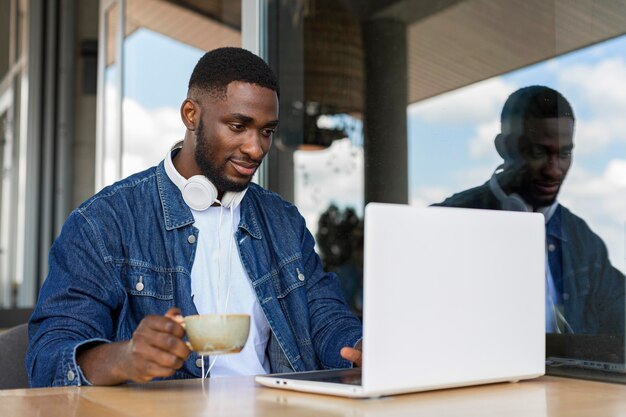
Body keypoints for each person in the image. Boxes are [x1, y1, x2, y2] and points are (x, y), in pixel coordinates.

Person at [26, 47, 362, 387]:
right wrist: (124, 358)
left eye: (266, 131)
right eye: (237, 126)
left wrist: (361, 347)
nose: (256, 148)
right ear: (191, 115)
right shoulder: (104, 221)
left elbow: (326, 317)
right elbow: (50, 356)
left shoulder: (284, 222)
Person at [435, 85, 624, 335]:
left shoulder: (583, 241)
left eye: (565, 153)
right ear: (504, 148)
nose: (554, 170)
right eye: (538, 152)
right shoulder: (445, 222)